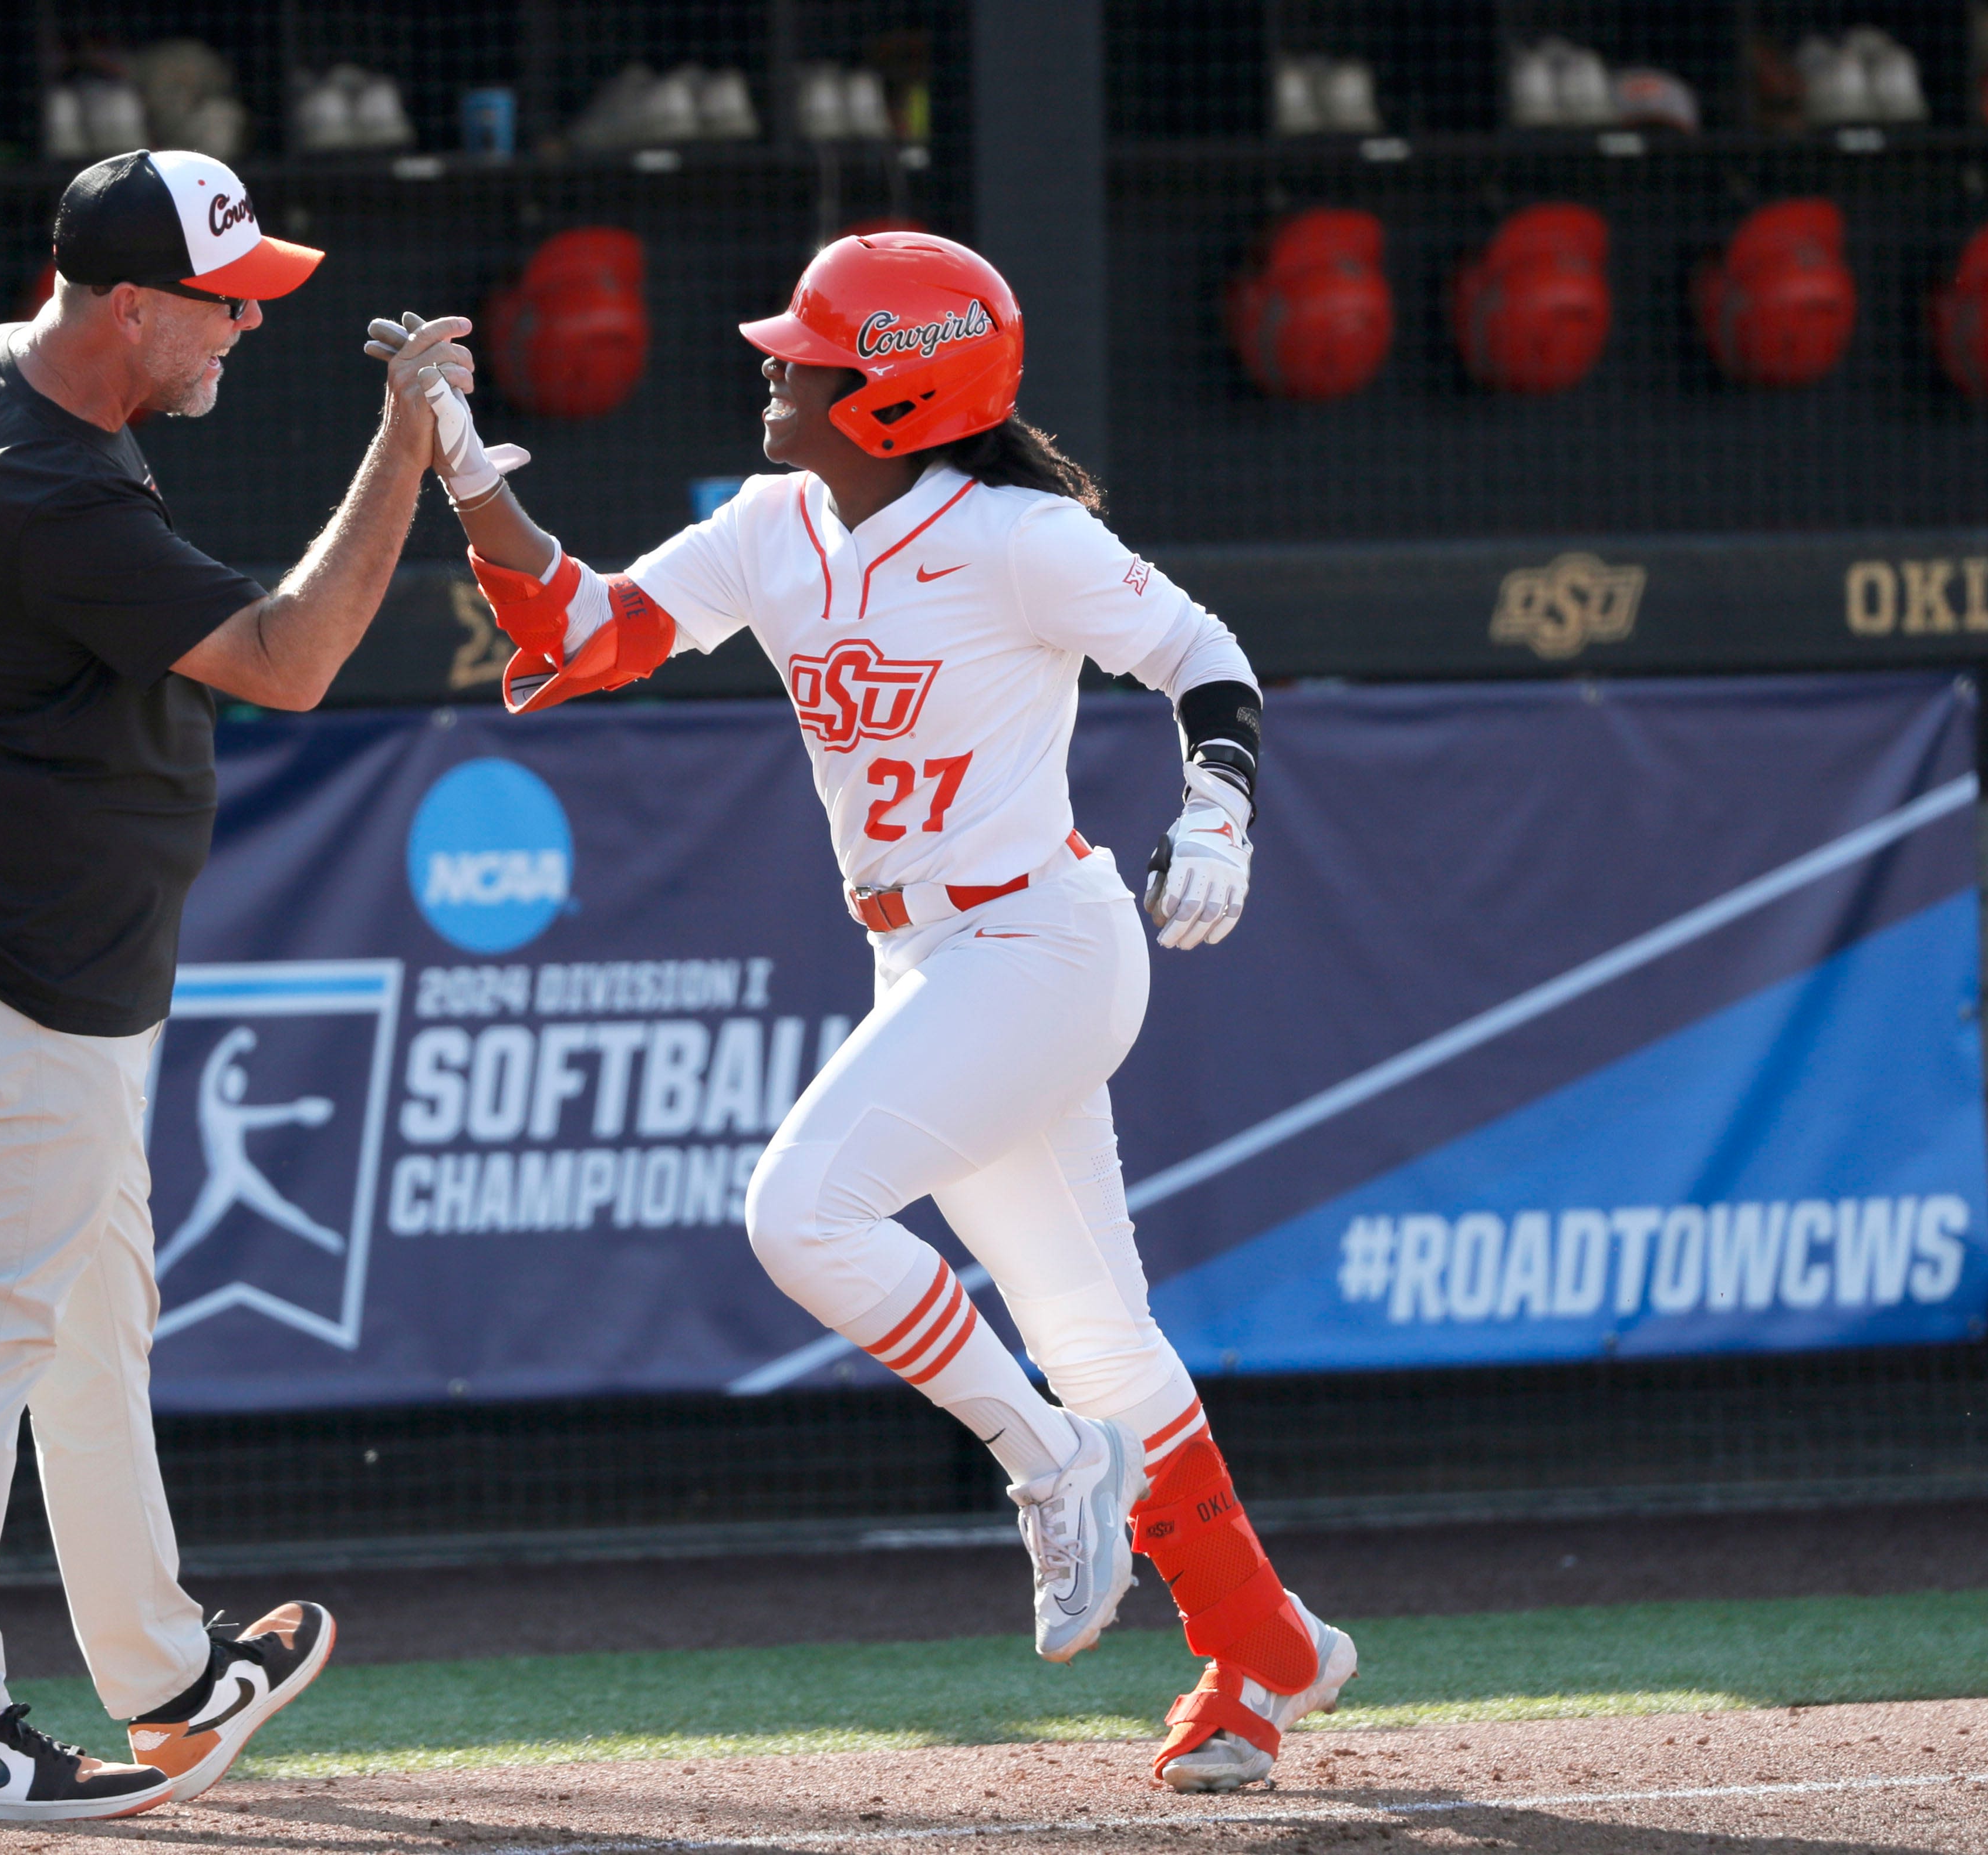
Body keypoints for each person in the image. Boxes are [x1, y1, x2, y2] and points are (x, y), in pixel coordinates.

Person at [369, 231, 1355, 1795]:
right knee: (1096, 1337)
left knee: (800, 1213)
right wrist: (467, 475)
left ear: (898, 394)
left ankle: (1046, 1466)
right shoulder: (770, 524)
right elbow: (580, 632)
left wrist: (1221, 806)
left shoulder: (1021, 537)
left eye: (811, 352)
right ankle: (1266, 1651)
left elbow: (1200, 655)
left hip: (1041, 942)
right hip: (931, 962)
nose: (775, 364)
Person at [0, 149, 476, 1824]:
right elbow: (292, 662)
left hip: (34, 955)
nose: (247, 326)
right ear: (123, 305)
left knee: (92, 1325)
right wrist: (408, 441)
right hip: (11, 972)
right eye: (223, 303)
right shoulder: (50, 485)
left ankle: (163, 1675)